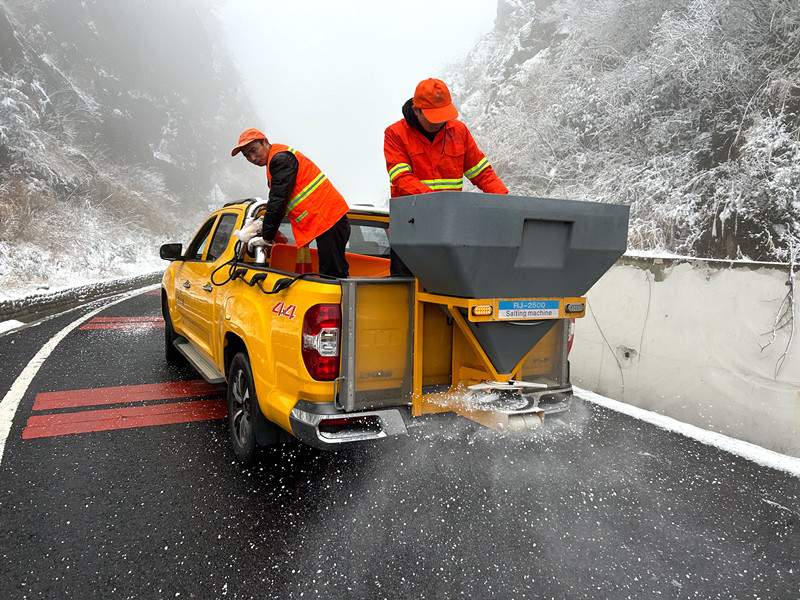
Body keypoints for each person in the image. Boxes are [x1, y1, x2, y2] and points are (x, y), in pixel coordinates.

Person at [231, 128, 350, 278]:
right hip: (329, 220)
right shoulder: (278, 158)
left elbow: (278, 200)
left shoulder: (279, 159)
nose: (252, 158)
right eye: (247, 155)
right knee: (334, 275)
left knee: (332, 277)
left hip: (328, 220)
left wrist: (267, 235)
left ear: (265, 142)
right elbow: (279, 201)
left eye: (254, 150)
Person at [383, 78, 508, 198]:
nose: (438, 122)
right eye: (433, 117)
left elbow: (482, 174)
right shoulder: (395, 134)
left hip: (449, 215)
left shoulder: (459, 131)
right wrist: (436, 200)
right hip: (410, 215)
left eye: (442, 115)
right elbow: (401, 177)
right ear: (416, 110)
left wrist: (504, 200)